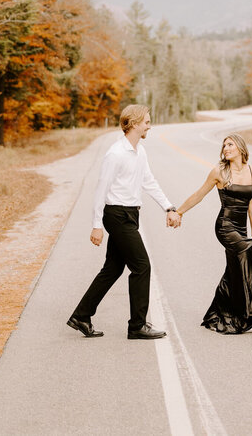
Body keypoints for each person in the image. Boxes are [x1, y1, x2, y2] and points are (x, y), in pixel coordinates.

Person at [67, 104, 181, 340]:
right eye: (147, 122)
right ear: (134, 123)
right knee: (142, 265)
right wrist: (96, 224)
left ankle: (81, 315)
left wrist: (168, 206)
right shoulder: (115, 154)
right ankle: (137, 325)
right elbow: (101, 190)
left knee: (113, 268)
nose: (150, 125)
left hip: (131, 214)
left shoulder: (140, 151)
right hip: (117, 215)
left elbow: (149, 181)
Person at [176, 132, 252, 334]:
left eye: (230, 145)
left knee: (233, 270)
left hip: (242, 228)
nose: (226, 148)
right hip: (225, 226)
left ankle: (218, 314)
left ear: (241, 149)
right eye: (224, 145)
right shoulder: (219, 172)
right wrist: (179, 211)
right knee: (247, 256)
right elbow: (199, 195)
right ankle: (244, 317)